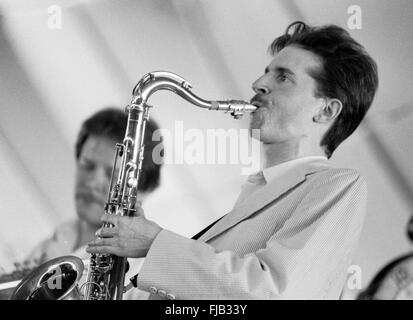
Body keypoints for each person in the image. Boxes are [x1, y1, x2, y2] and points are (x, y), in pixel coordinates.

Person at [87, 21, 379, 299]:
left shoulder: (339, 184)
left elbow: (279, 294)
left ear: (327, 111)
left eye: (283, 77)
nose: (258, 83)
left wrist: (154, 244)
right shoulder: (257, 190)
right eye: (267, 72)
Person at [25, 107, 163, 298]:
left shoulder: (145, 278)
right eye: (87, 165)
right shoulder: (57, 238)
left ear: (143, 191)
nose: (92, 182)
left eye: (112, 175)